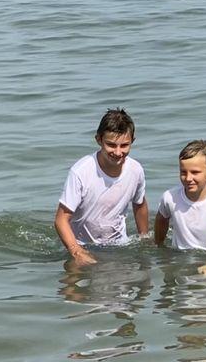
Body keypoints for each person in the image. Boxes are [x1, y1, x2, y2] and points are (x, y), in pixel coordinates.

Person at [54, 108, 149, 266]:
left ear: (133, 140)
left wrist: (144, 238)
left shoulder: (136, 170)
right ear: (98, 139)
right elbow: (61, 220)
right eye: (111, 145)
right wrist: (76, 252)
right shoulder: (81, 171)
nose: (118, 152)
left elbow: (140, 204)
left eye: (124, 145)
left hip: (119, 245)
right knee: (72, 283)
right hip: (82, 244)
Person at [154, 140, 206, 273]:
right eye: (183, 172)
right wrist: (160, 246)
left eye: (195, 172)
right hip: (179, 259)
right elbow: (161, 220)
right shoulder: (170, 197)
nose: (188, 178)